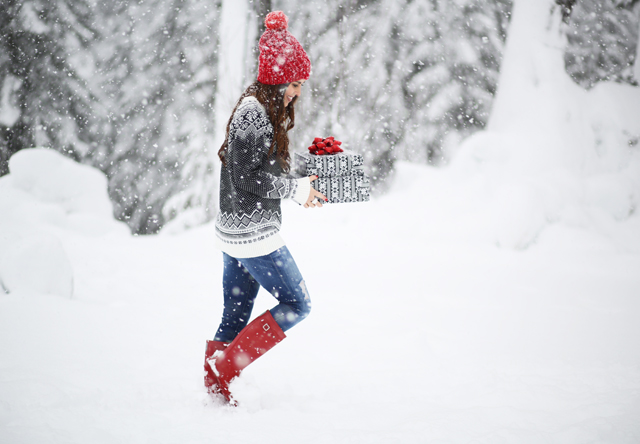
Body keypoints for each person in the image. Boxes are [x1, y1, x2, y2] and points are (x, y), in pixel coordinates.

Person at [203, 11, 327, 405]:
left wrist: (305, 183)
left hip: (237, 232)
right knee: (298, 303)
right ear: (277, 80)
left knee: (236, 313)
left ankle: (215, 389)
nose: (297, 93)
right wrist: (292, 191)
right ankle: (227, 369)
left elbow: (260, 169)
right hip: (252, 235)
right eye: (294, 84)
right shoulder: (254, 112)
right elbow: (248, 178)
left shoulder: (258, 109)